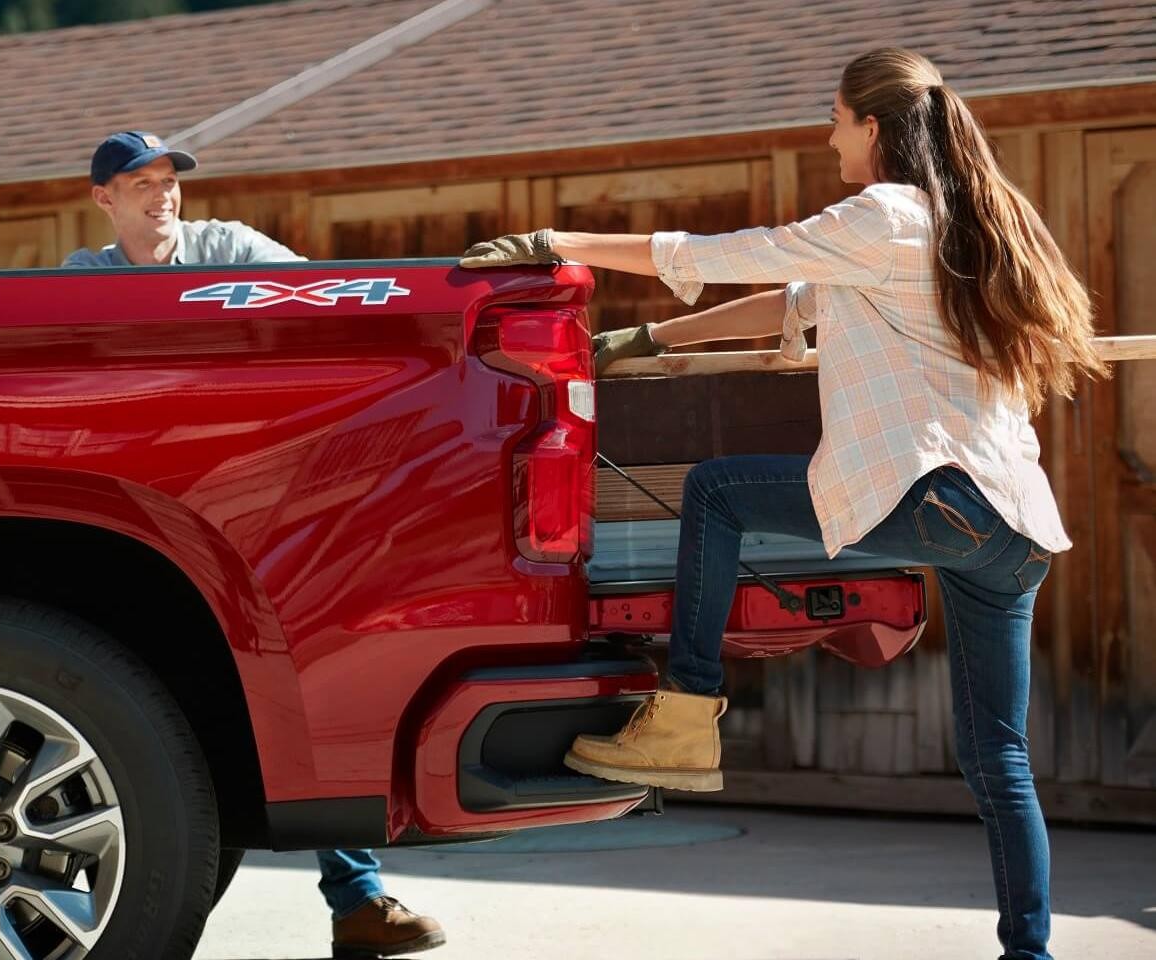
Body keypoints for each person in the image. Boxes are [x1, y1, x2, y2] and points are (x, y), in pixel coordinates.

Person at [462, 49, 1104, 960]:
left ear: (874, 128)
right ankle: (1029, 953)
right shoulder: (961, 220)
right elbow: (786, 297)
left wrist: (557, 245)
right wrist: (645, 337)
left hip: (937, 498)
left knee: (718, 492)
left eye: (837, 118)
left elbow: (735, 254)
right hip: (1014, 530)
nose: (829, 133)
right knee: (999, 758)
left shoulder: (882, 214)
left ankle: (686, 718)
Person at [64, 130, 447, 960]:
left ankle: (360, 901)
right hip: (133, 517)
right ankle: (115, 922)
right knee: (152, 708)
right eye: (140, 184)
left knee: (290, 696)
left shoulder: (230, 248)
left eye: (168, 181)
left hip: (246, 504)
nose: (161, 195)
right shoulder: (81, 282)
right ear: (104, 200)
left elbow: (318, 301)